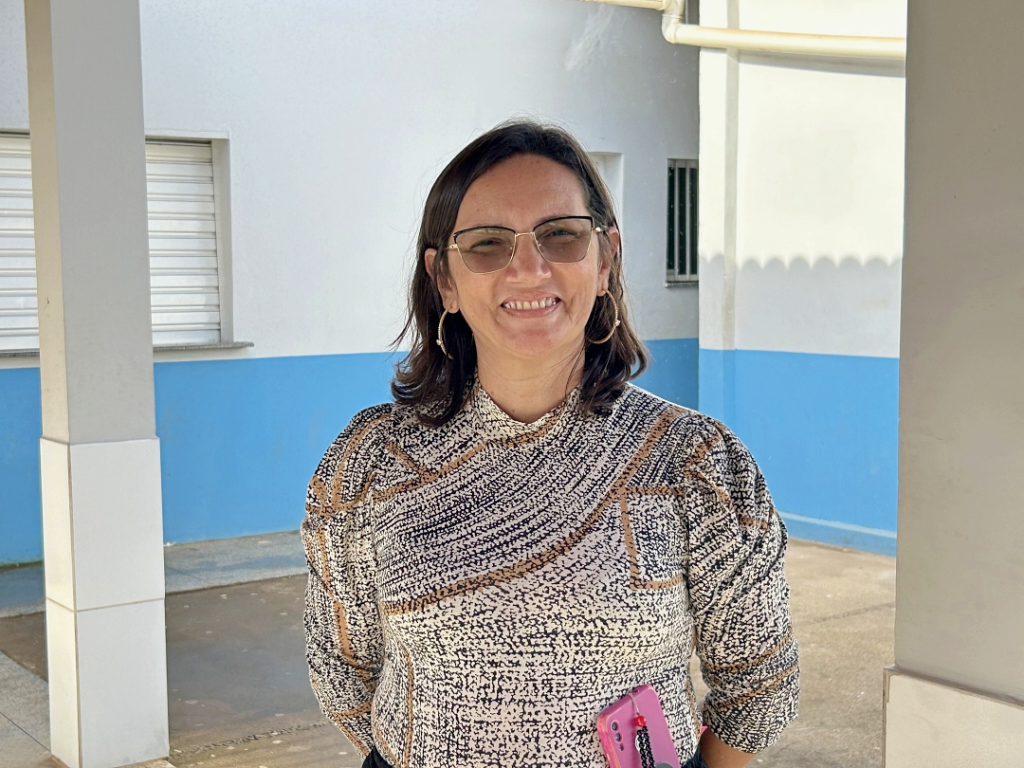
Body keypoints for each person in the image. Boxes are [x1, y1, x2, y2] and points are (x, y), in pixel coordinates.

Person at [302, 121, 798, 768]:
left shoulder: (694, 462)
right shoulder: (369, 464)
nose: (529, 269)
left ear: (605, 259)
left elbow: (758, 689)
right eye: (487, 244)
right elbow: (344, 675)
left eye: (561, 235)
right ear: (444, 279)